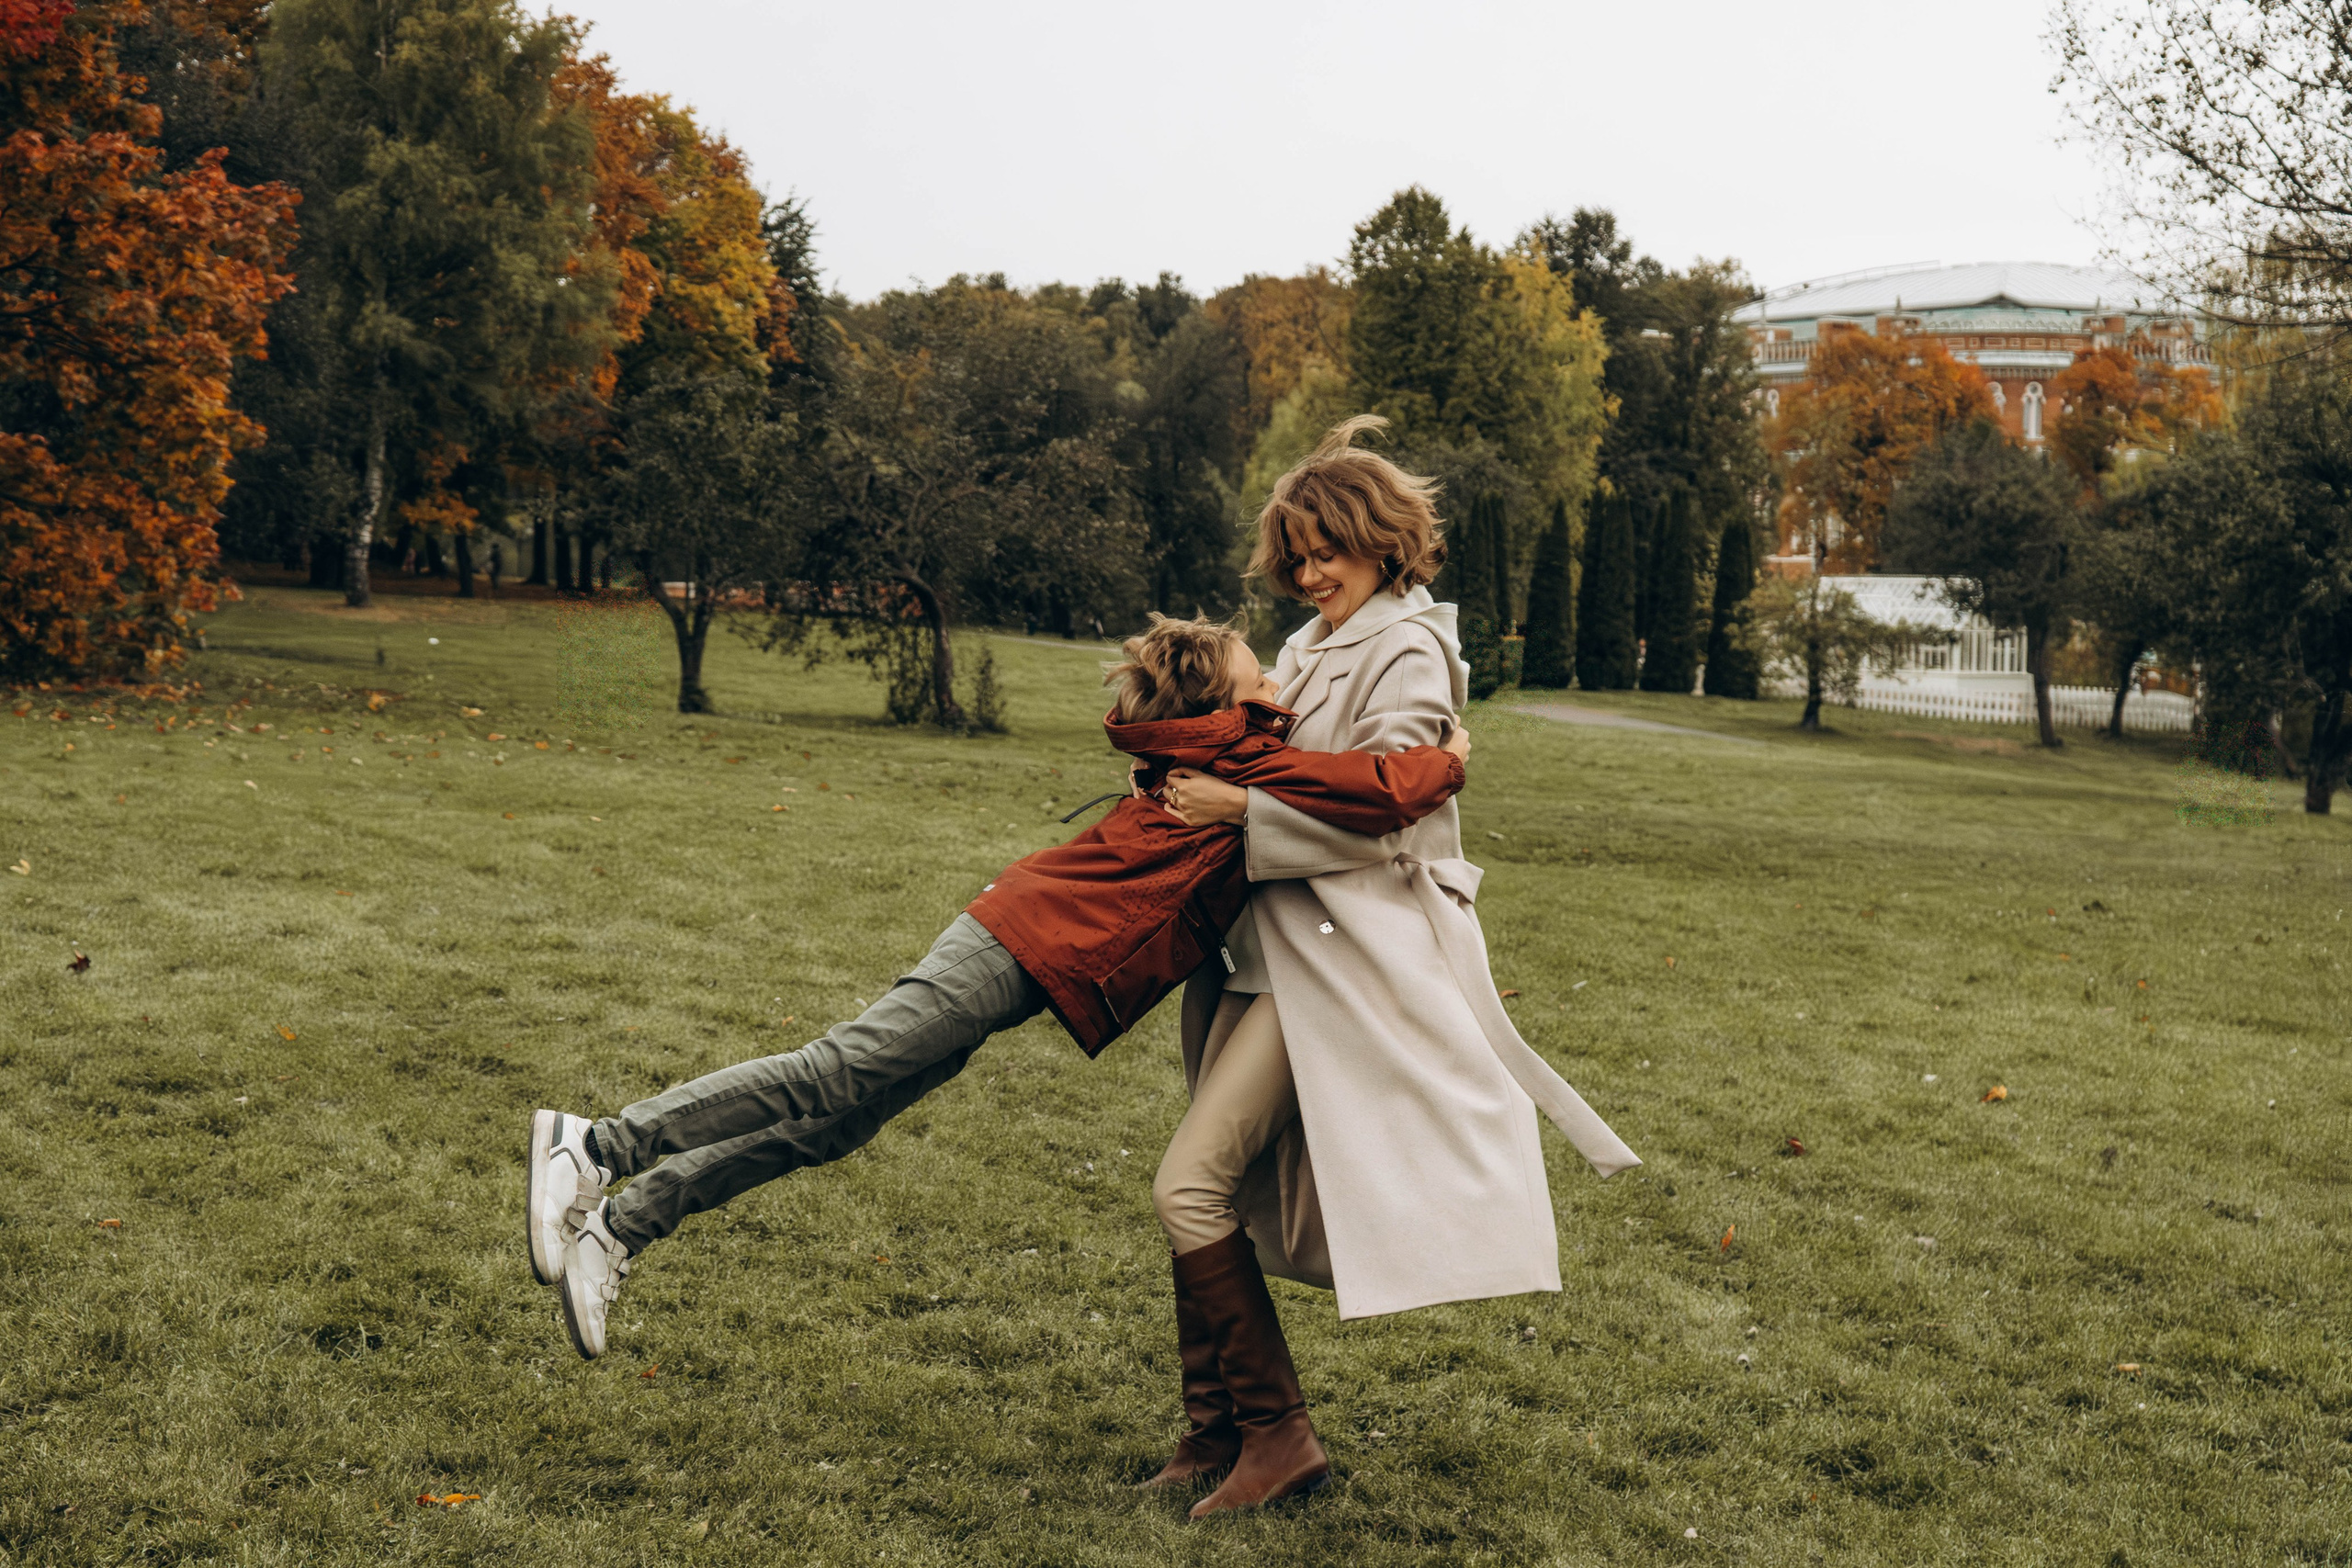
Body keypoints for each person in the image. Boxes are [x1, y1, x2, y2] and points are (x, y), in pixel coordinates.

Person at [524, 613, 1473, 1359]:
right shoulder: (1232, 754)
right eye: (1258, 676)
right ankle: (598, 1144)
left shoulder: (1228, 754)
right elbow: (1380, 788)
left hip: (1024, 958)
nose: (1277, 685)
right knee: (836, 1074)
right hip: (1012, 943)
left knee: (840, 1120)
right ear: (1217, 705)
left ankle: (622, 1227)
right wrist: (1451, 760)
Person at [1134, 416, 1641, 1521]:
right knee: (1208, 1187)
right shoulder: (1314, 641)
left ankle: (1276, 1437)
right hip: (1260, 952)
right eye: (1297, 554)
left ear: (1383, 543)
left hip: (1339, 950)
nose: (1310, 572)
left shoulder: (1406, 647)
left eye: (1330, 551)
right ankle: (1213, 1427)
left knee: (1188, 1184)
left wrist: (1244, 809)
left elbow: (1393, 816)